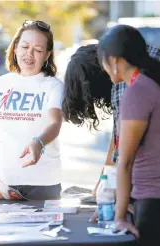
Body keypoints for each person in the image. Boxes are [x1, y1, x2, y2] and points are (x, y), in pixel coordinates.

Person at [62, 43, 160, 221]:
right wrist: (105, 179)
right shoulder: (130, 54)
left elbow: (125, 154)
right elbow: (118, 136)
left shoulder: (127, 84)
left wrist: (115, 202)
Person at [0, 20, 63, 200]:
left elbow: (55, 123)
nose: (29, 54)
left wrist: (38, 142)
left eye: (38, 50)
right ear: (15, 47)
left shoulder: (53, 85)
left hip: (43, 185)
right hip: (3, 185)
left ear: (48, 54)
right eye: (24, 46)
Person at [97, 24, 160, 245]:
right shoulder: (152, 82)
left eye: (103, 62)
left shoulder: (137, 91)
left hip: (152, 201)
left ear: (113, 60)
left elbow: (125, 161)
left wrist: (120, 216)